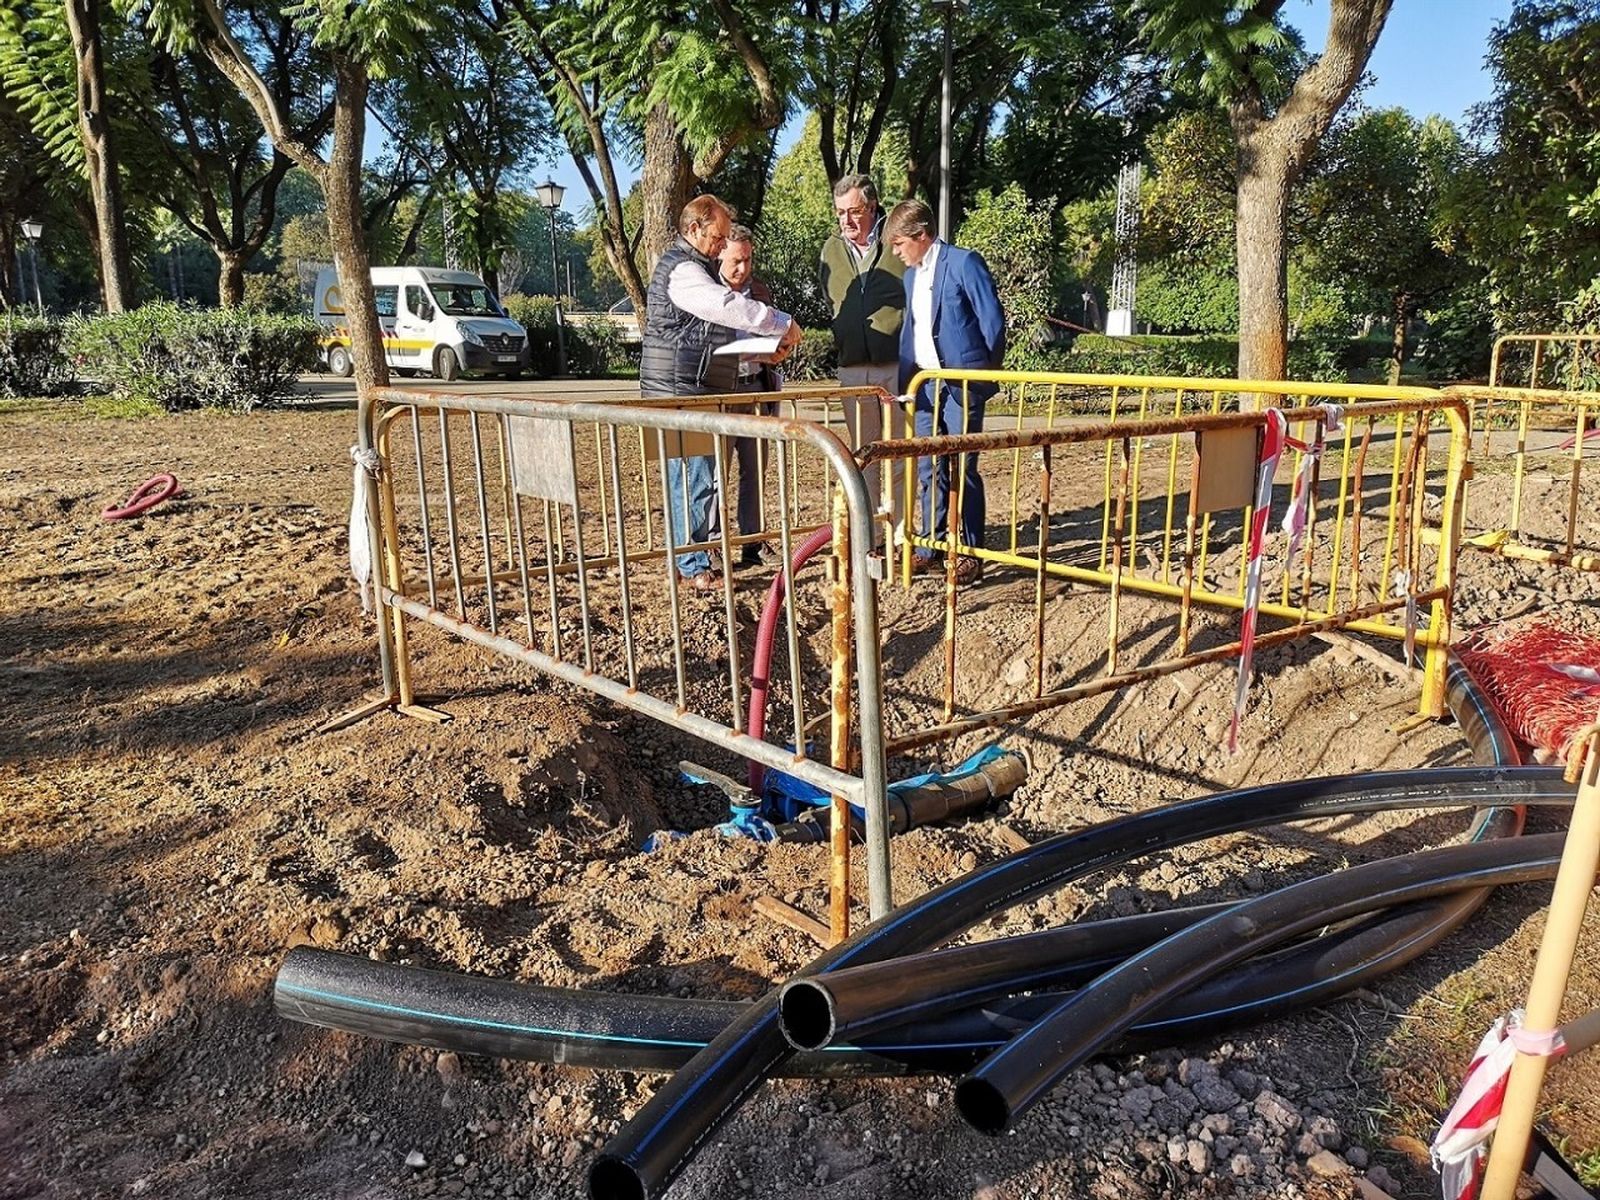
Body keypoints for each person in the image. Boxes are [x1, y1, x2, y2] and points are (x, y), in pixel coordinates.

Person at [641, 195, 803, 592]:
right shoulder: (684, 271)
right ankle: (694, 562)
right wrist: (780, 322)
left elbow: (711, 340)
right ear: (694, 229)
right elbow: (725, 308)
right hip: (682, 390)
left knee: (694, 476)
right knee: (693, 477)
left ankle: (691, 558)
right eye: (718, 236)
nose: (721, 243)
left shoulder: (694, 268)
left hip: (688, 384)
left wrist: (762, 350)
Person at [887, 197, 1006, 586]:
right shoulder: (910, 277)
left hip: (961, 385)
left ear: (921, 235)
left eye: (900, 243)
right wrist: (906, 384)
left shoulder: (964, 262)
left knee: (964, 467)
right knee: (928, 467)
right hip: (924, 386)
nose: (896, 252)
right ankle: (931, 548)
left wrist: (981, 378)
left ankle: (970, 553)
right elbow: (914, 331)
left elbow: (992, 323)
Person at [819, 173, 906, 535]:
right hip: (853, 368)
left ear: (871, 207)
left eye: (853, 211)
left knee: (900, 453)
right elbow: (831, 299)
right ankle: (871, 531)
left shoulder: (895, 242)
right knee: (864, 454)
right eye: (840, 213)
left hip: (895, 366)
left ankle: (902, 532)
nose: (846, 221)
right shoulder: (830, 249)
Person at [718, 224, 781, 568]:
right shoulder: (708, 292)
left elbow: (770, 330)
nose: (743, 270)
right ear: (720, 257)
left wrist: (774, 349)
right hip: (721, 392)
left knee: (754, 470)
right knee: (716, 472)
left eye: (748, 260)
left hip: (756, 387)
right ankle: (712, 546)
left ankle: (753, 541)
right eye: (736, 262)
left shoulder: (759, 290)